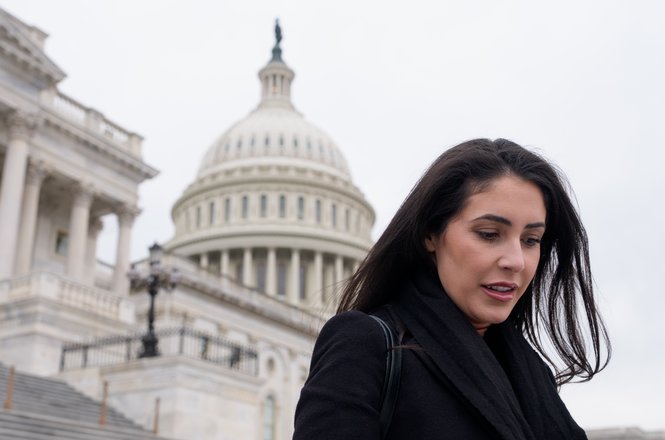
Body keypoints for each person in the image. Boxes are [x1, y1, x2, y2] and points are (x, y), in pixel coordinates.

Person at [293, 138, 610, 440]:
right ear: (431, 234)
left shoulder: (531, 372)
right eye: (488, 234)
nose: (516, 261)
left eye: (530, 240)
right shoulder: (365, 345)